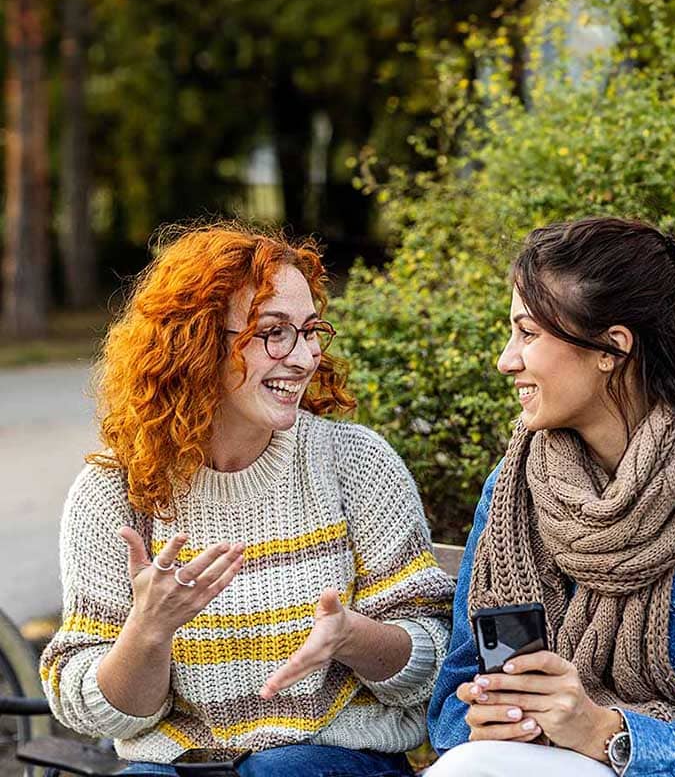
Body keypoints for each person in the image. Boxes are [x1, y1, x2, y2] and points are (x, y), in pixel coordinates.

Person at [40, 222, 454, 777]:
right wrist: (149, 630)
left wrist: (350, 635)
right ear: (196, 342)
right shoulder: (116, 492)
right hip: (180, 766)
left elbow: (434, 655)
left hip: (328, 760)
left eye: (310, 331)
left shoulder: (353, 462)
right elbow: (101, 711)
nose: (305, 357)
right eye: (274, 332)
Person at [426, 217, 675, 776]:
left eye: (528, 333)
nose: (507, 360)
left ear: (611, 348)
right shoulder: (513, 491)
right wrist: (491, 719)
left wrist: (608, 735)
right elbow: (453, 709)